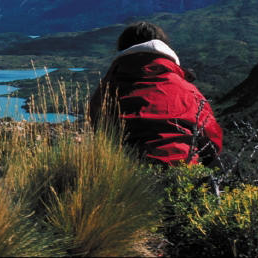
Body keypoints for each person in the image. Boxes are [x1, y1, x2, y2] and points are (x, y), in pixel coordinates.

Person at [88, 21, 222, 166]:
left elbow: (101, 131)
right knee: (224, 162)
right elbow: (212, 139)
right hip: (181, 171)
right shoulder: (187, 90)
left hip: (125, 174)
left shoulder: (106, 90)